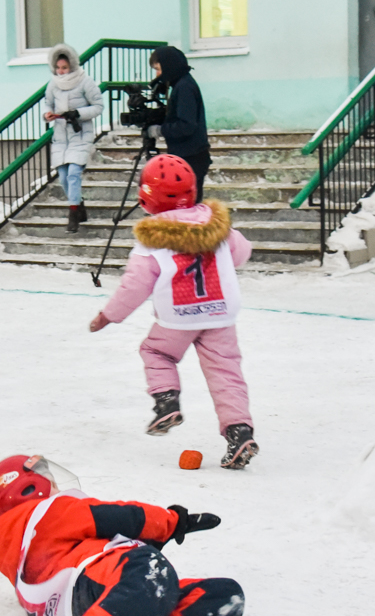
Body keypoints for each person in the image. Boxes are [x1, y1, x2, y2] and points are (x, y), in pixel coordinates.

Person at [0, 453, 243, 616]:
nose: (57, 488)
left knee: (224, 596)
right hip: (92, 579)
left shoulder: (21, 546)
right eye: (51, 482)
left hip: (73, 607)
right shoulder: (47, 511)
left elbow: (68, 548)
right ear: (28, 489)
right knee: (150, 569)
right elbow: (118, 517)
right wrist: (172, 523)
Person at [88, 154, 259, 470]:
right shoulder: (216, 225)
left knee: (156, 352)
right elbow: (242, 252)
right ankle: (239, 431)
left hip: (179, 316)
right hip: (220, 312)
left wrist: (109, 315)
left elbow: (135, 285)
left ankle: (166, 402)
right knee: (226, 372)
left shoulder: (151, 241)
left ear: (145, 199)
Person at [42, 43, 103, 234]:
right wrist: (47, 114)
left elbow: (98, 106)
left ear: (72, 66)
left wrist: (77, 113)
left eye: (65, 67)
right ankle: (80, 204)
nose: (61, 71)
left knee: (73, 173)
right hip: (61, 137)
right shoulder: (53, 84)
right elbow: (47, 103)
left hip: (80, 134)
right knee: (63, 177)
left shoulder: (85, 81)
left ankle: (73, 214)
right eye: (58, 67)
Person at [149, 45, 211, 201]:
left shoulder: (184, 87)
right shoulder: (181, 84)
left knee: (189, 204)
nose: (157, 74)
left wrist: (160, 130)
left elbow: (186, 125)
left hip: (191, 156)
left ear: (168, 65)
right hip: (187, 154)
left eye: (158, 68)